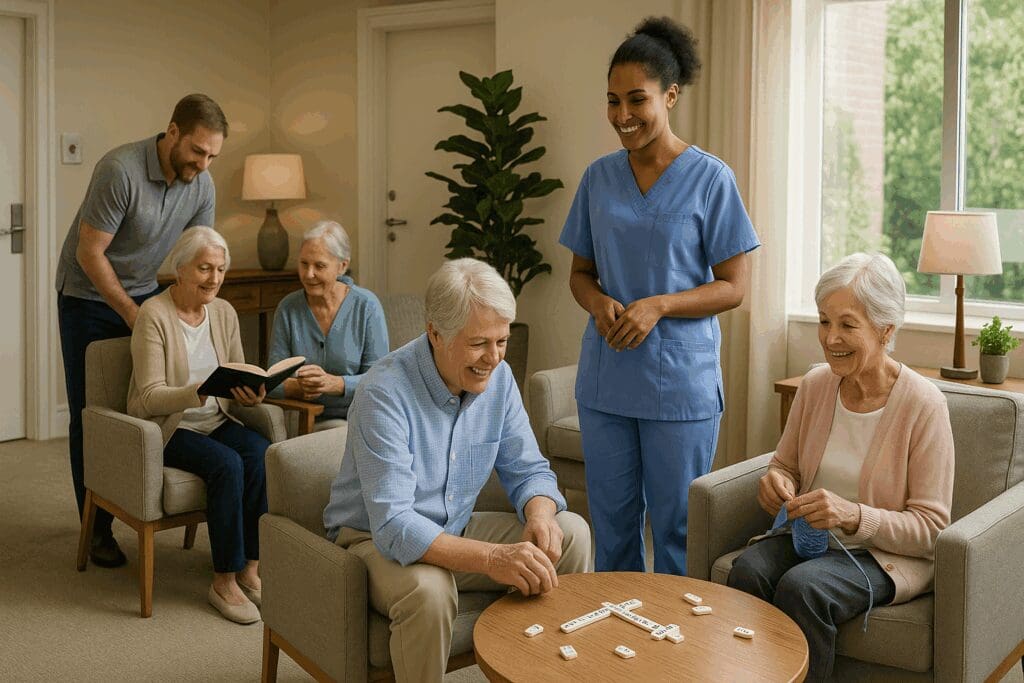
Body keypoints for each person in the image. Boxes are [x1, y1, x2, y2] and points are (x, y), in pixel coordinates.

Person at [323, 258, 590, 683]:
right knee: (429, 591)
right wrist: (493, 558)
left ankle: (534, 673)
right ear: (435, 332)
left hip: (455, 526)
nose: (495, 357)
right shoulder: (383, 393)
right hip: (373, 540)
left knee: (570, 532)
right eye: (480, 343)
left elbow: (530, 470)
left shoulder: (498, 379)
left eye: (501, 341)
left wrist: (540, 515)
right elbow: (394, 524)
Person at [558, 16, 760, 575]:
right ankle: (615, 654)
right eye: (612, 100)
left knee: (678, 533)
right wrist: (598, 302)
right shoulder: (598, 179)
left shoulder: (712, 179)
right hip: (607, 382)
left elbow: (735, 287)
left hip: (679, 386)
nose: (623, 115)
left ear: (670, 96)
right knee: (613, 529)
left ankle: (675, 656)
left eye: (637, 99)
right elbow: (580, 273)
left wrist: (660, 304)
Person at [727, 253, 955, 682]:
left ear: (886, 330)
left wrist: (853, 516)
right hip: (810, 537)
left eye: (848, 325)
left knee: (804, 587)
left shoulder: (924, 406)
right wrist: (777, 482)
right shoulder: (815, 385)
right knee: (748, 570)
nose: (831, 338)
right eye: (824, 321)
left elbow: (931, 530)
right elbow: (784, 465)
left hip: (883, 555)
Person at [56, 93, 228, 568]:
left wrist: (178, 307)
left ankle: (141, 504)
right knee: (94, 410)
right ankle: (96, 530)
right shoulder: (121, 170)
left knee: (148, 401)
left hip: (147, 295)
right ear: (172, 132)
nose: (203, 163)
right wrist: (135, 313)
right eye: (197, 151)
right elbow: (91, 255)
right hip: (88, 297)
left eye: (213, 154)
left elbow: (196, 255)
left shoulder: (203, 183)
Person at [127, 227, 270, 624]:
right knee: (226, 464)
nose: (214, 279)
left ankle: (250, 569)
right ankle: (223, 580)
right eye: (205, 268)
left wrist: (250, 393)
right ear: (180, 269)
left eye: (220, 269)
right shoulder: (152, 315)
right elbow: (151, 395)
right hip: (167, 428)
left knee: (259, 452)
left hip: (216, 418)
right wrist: (199, 391)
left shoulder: (222, 312)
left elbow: (238, 369)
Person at [267, 221, 388, 429]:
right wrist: (300, 388)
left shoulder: (366, 306)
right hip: (309, 419)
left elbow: (380, 380)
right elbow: (271, 381)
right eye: (304, 264)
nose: (308, 274)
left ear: (342, 266)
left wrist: (335, 384)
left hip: (362, 417)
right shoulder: (288, 308)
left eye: (319, 266)